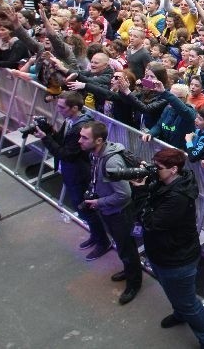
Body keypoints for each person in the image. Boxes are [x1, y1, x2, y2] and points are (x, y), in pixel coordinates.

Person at [137, 148, 204, 349]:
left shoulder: (178, 197)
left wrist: (139, 191)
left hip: (177, 259)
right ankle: (179, 313)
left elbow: (150, 222)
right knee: (173, 292)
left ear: (174, 169)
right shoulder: (167, 182)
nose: (154, 170)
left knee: (189, 303)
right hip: (162, 253)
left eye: (158, 168)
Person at [35, 91, 108, 256]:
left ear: (74, 108)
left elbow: (66, 154)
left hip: (80, 174)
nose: (58, 109)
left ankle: (103, 242)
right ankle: (97, 236)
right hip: (72, 172)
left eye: (62, 107)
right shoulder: (71, 121)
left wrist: (45, 138)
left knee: (85, 208)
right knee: (81, 207)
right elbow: (62, 141)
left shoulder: (80, 128)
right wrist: (49, 131)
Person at [77, 121, 142, 305]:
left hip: (120, 213)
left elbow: (124, 194)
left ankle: (134, 283)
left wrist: (99, 202)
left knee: (127, 249)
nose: (79, 140)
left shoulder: (111, 161)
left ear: (98, 140)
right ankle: (129, 271)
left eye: (84, 137)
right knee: (122, 247)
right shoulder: (95, 154)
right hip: (109, 210)